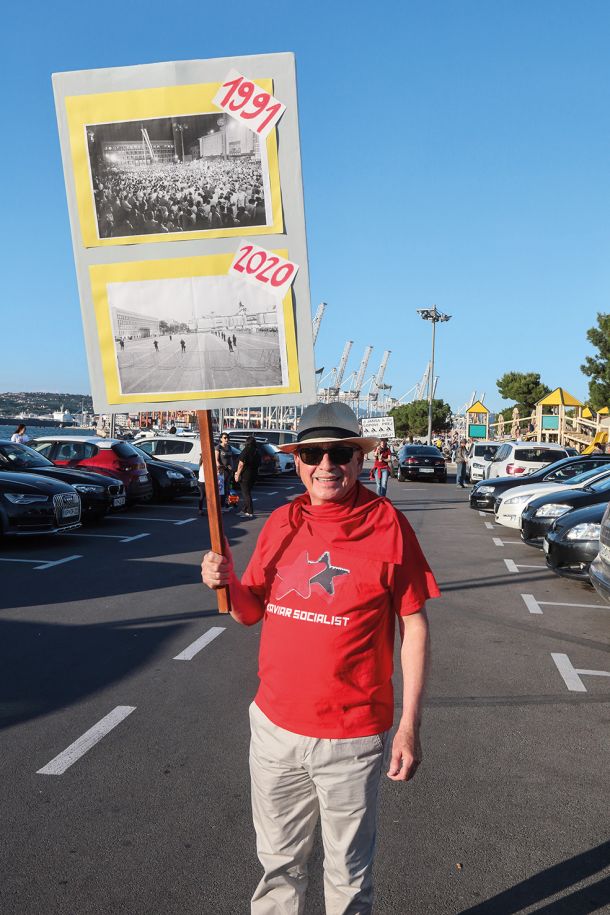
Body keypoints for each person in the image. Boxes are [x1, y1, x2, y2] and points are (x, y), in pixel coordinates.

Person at [201, 401, 439, 914]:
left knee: (349, 879)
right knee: (278, 867)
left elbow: (414, 624)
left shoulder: (388, 525)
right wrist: (226, 583)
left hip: (352, 738)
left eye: (340, 453)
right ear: (298, 460)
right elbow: (250, 612)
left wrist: (409, 726)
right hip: (274, 730)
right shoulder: (282, 521)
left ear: (359, 459)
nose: (326, 465)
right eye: (313, 453)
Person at [234, 436, 260, 519]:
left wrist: (237, 474)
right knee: (248, 492)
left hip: (245, 474)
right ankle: (244, 509)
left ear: (247, 442)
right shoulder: (257, 451)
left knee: (246, 493)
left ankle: (250, 511)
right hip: (254, 474)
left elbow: (241, 464)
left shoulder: (246, 450)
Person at [215, 432, 235, 512]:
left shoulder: (229, 447)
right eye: (225, 437)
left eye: (228, 438)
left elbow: (230, 459)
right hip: (221, 470)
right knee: (221, 488)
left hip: (229, 470)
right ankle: (221, 505)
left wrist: (232, 468)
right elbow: (216, 460)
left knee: (228, 487)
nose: (227, 439)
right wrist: (219, 467)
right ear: (221, 439)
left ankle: (227, 503)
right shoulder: (218, 447)